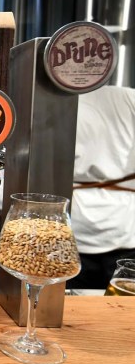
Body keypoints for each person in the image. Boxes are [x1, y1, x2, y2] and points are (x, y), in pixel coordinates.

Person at [67, 85, 135, 289]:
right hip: (123, 226)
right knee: (124, 314)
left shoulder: (57, 101)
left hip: (75, 225)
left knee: (75, 311)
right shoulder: (128, 97)